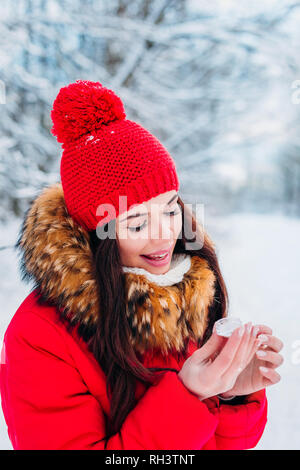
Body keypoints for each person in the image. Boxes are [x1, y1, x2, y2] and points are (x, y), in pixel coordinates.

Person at [0, 80, 283, 450]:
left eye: (169, 209)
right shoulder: (39, 338)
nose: (165, 235)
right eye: (136, 223)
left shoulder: (186, 294)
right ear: (95, 233)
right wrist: (187, 395)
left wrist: (227, 395)